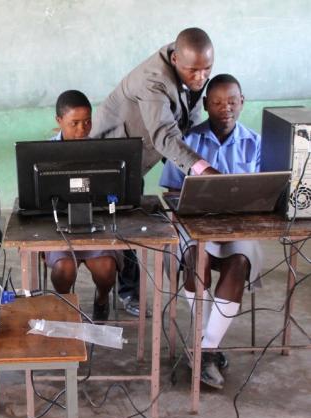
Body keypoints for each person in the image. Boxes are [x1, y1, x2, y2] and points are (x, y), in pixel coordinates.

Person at [91, 27, 218, 317]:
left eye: (207, 69)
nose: (200, 77)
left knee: (142, 216)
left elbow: (183, 122)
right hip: (112, 157)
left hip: (142, 153)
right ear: (175, 59)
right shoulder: (154, 79)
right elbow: (164, 136)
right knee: (121, 222)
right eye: (193, 70)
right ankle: (126, 292)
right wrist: (204, 170)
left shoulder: (190, 66)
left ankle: (139, 286)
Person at [159, 74, 262, 389]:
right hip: (197, 227)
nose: (225, 108)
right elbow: (170, 192)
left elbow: (265, 191)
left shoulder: (255, 142)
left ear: (242, 101)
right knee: (194, 255)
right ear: (205, 105)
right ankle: (208, 349)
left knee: (239, 262)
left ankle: (204, 347)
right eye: (217, 102)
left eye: (232, 101)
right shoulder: (188, 142)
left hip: (238, 228)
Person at [46, 90, 123, 321]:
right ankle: (67, 305)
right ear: (59, 121)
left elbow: (115, 192)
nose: (82, 129)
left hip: (95, 223)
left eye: (87, 122)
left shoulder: (101, 151)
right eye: (74, 123)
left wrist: (113, 199)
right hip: (59, 227)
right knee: (64, 269)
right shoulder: (43, 152)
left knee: (106, 268)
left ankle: (101, 299)